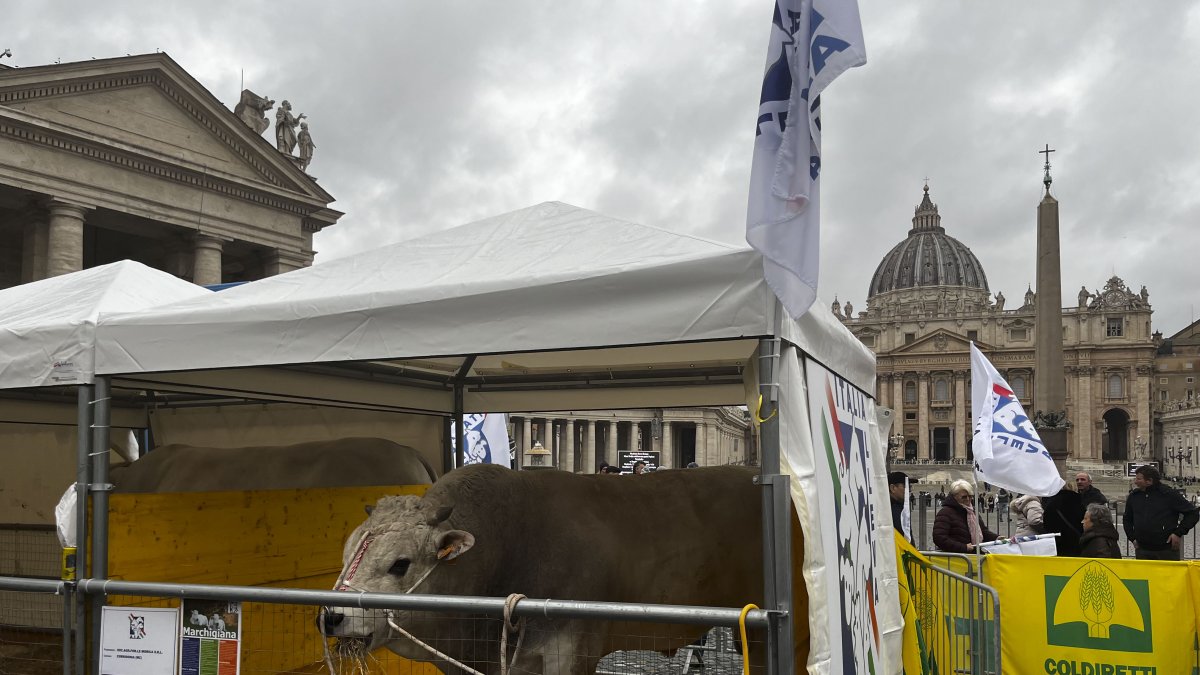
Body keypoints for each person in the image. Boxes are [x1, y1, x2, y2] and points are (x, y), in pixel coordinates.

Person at [1123, 464, 1199, 560]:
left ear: (1149, 481)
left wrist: (1178, 533)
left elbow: (1193, 513)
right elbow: (1127, 519)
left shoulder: (1168, 494)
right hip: (1142, 549)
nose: (1135, 482)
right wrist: (1132, 538)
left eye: (1138, 479)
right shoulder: (1134, 496)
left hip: (1166, 550)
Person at [933, 480, 998, 553]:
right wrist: (963, 547)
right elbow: (939, 538)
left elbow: (983, 532)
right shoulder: (945, 513)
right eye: (964, 497)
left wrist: (997, 538)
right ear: (955, 496)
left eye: (970, 496)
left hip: (973, 555)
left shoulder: (973, 511)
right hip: (957, 557)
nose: (968, 499)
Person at [1042, 485, 1086, 557]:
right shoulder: (1078, 501)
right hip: (1075, 540)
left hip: (1056, 541)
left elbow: (1046, 523)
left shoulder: (1051, 502)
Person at [888, 471, 915, 542]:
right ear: (893, 488)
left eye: (910, 487)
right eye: (905, 486)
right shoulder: (892, 511)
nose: (909, 491)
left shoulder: (900, 508)